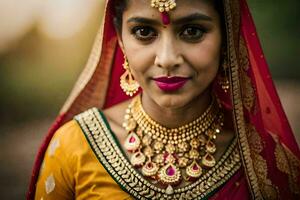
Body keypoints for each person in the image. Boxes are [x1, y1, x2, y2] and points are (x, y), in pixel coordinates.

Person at [27, 0, 300, 199]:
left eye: (192, 31)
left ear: (227, 38)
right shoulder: (76, 146)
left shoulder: (262, 160)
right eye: (144, 32)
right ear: (121, 40)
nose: (167, 58)